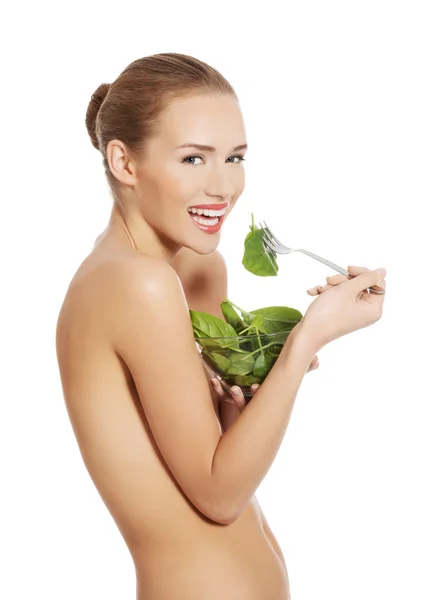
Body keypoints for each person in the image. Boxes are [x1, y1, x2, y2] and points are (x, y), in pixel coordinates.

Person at [55, 52, 387, 600]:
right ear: (125, 162)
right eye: (193, 159)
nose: (224, 186)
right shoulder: (136, 284)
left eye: (235, 157)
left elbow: (219, 455)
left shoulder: (192, 269)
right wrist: (306, 340)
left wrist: (260, 387)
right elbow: (218, 494)